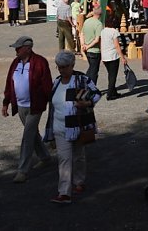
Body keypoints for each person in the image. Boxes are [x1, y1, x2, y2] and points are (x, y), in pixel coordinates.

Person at [43, 50, 101, 204]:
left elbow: (96, 93)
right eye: (59, 67)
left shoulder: (81, 79)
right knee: (64, 159)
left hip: (77, 126)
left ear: (72, 65)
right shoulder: (56, 82)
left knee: (79, 156)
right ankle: (64, 193)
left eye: (64, 66)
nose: (61, 70)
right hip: (59, 127)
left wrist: (87, 103)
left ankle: (79, 181)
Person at [1, 36, 53, 183]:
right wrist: (6, 103)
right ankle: (45, 157)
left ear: (28, 48)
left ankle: (22, 170)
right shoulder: (15, 63)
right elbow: (9, 83)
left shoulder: (40, 62)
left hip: (35, 105)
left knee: (27, 135)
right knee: (32, 134)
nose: (16, 50)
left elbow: (46, 83)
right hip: (20, 105)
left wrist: (52, 101)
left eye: (19, 48)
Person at [100, 13, 128, 100]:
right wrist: (122, 57)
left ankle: (113, 91)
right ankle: (109, 94)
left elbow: (101, 44)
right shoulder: (114, 32)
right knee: (113, 76)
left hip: (105, 55)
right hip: (113, 56)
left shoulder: (103, 31)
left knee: (110, 74)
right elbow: (117, 46)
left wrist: (102, 56)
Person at [80, 7, 103, 84]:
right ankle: (90, 87)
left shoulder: (87, 21)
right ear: (101, 14)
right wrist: (88, 46)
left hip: (87, 50)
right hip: (95, 51)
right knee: (94, 71)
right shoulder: (99, 24)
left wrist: (83, 44)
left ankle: (86, 85)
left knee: (91, 68)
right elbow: (97, 40)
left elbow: (81, 33)